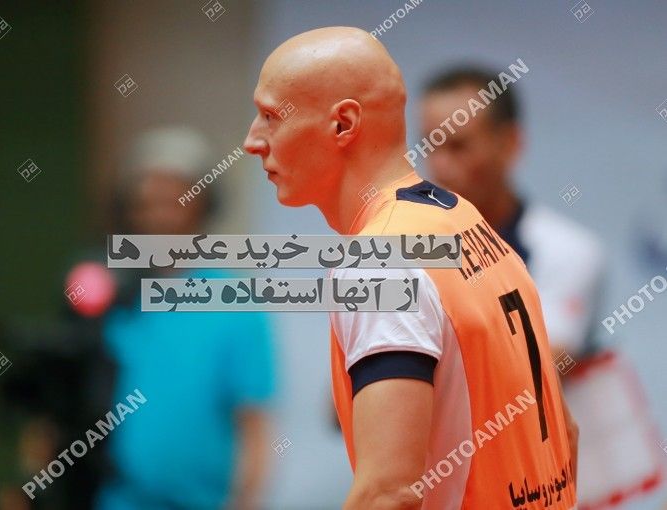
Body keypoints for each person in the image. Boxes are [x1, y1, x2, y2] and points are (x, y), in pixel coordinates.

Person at [244, 27, 578, 509]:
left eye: (271, 116)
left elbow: (390, 492)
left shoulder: (380, 261)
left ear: (343, 125)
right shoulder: (468, 223)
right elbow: (567, 433)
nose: (252, 141)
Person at [418, 66, 664, 509]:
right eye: (430, 146)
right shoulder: (406, 255)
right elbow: (343, 410)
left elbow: (533, 375)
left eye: (458, 146)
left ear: (510, 144)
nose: (439, 166)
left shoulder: (570, 251)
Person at [94, 126, 276, 510]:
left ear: (203, 205)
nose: (158, 213)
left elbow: (254, 423)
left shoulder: (234, 301)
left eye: (173, 199)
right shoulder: (106, 298)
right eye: (145, 201)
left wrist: (246, 501)